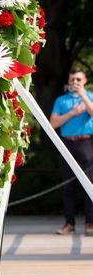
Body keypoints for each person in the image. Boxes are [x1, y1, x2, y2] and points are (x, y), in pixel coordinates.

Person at [50, 68, 93, 236]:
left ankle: (90, 222)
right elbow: (53, 123)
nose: (74, 83)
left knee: (89, 184)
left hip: (86, 143)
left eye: (78, 80)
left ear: (85, 81)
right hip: (67, 143)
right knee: (68, 185)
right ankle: (69, 223)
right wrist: (72, 113)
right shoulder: (61, 100)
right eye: (72, 80)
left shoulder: (89, 96)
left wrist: (83, 96)